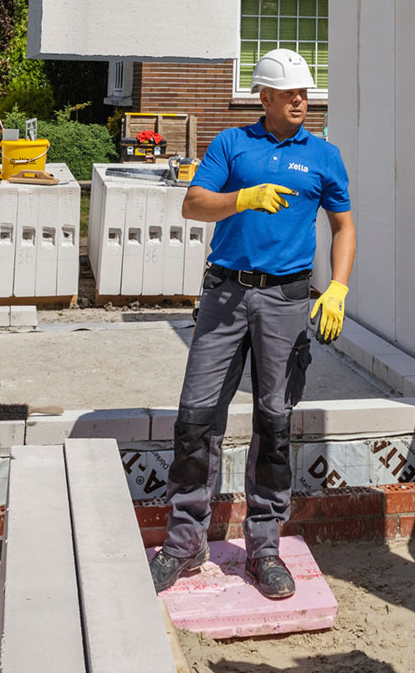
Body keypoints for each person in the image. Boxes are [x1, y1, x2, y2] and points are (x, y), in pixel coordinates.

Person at [149, 48, 355, 600]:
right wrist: (242, 197)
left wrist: (337, 285)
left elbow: (343, 227)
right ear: (263, 97)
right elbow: (193, 204)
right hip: (224, 296)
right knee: (195, 418)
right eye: (290, 95)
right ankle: (184, 542)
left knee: (275, 423)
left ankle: (264, 548)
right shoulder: (231, 144)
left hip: (286, 301)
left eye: (304, 95)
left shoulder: (324, 155)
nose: (300, 103)